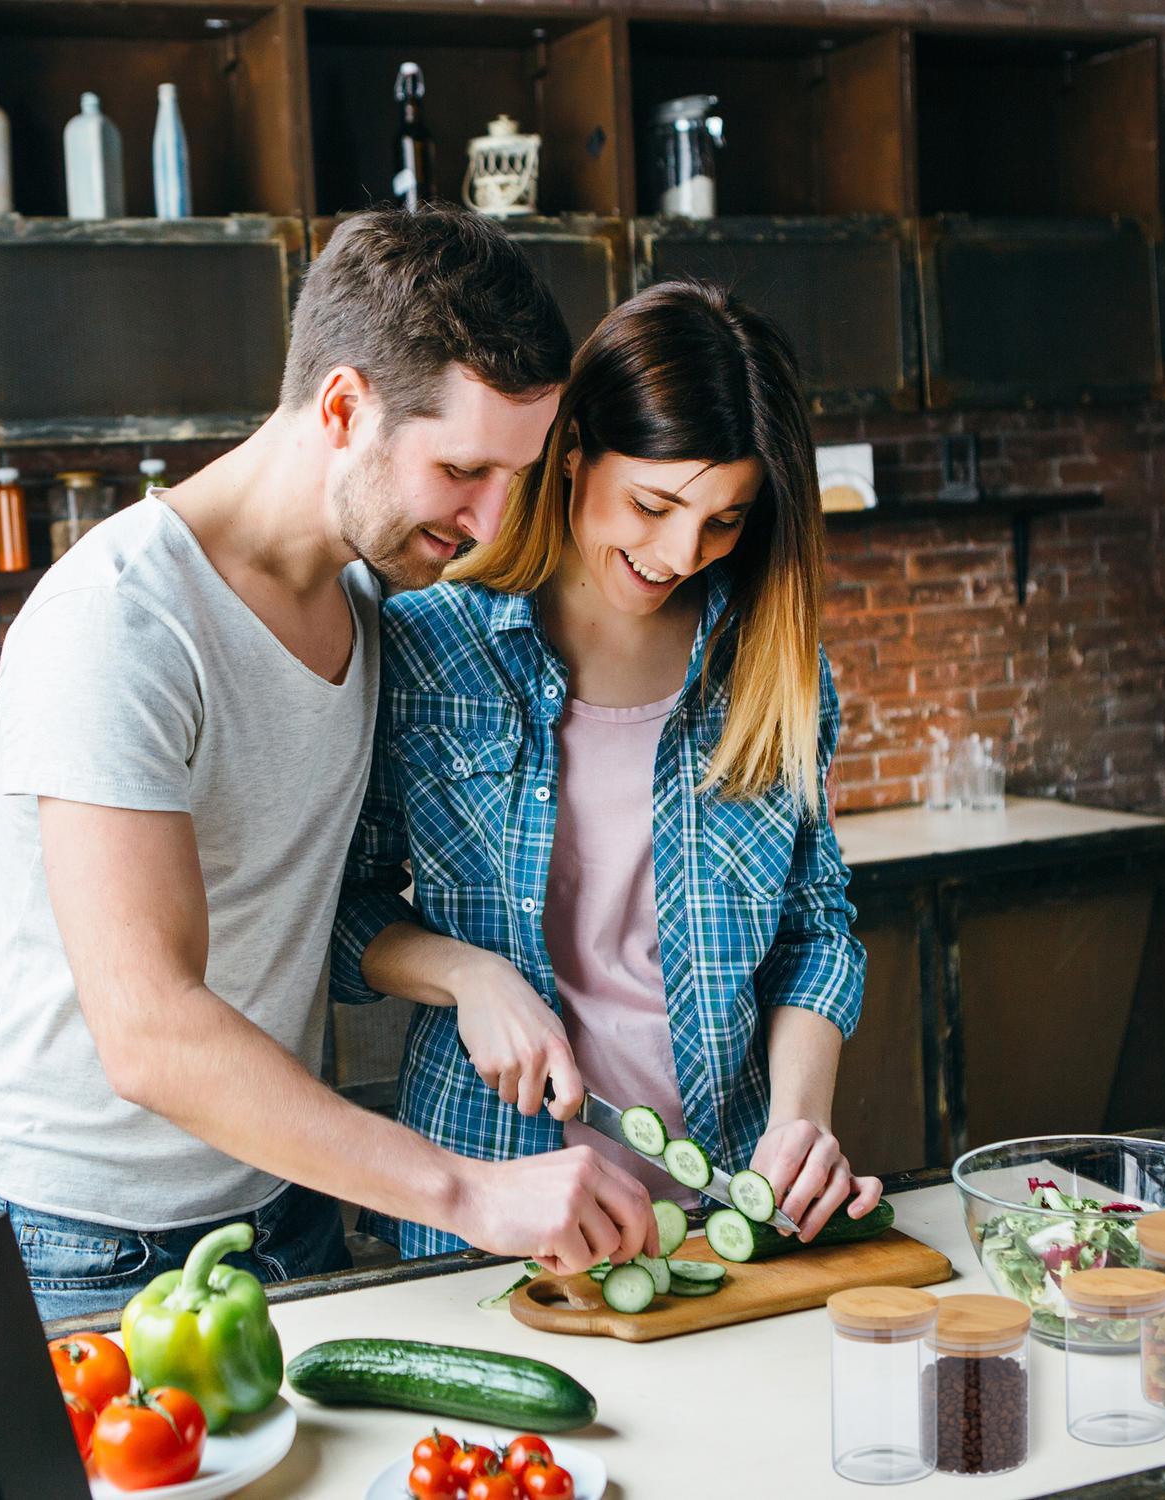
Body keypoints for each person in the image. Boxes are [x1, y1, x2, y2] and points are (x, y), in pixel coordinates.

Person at [0, 205, 659, 1323]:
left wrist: (472, 970)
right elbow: (149, 1031)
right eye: (463, 469)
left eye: (514, 476)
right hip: (89, 1242)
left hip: (289, 1201)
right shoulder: (122, 620)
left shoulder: (372, 600)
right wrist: (468, 1193)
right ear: (343, 407)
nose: (490, 521)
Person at [333, 280, 881, 1260]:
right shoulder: (428, 647)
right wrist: (466, 974)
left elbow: (816, 925)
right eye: (655, 504)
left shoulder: (774, 671)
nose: (681, 553)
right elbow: (346, 909)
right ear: (573, 452)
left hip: (728, 1209)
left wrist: (802, 1120)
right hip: (492, 1201)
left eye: (725, 520)